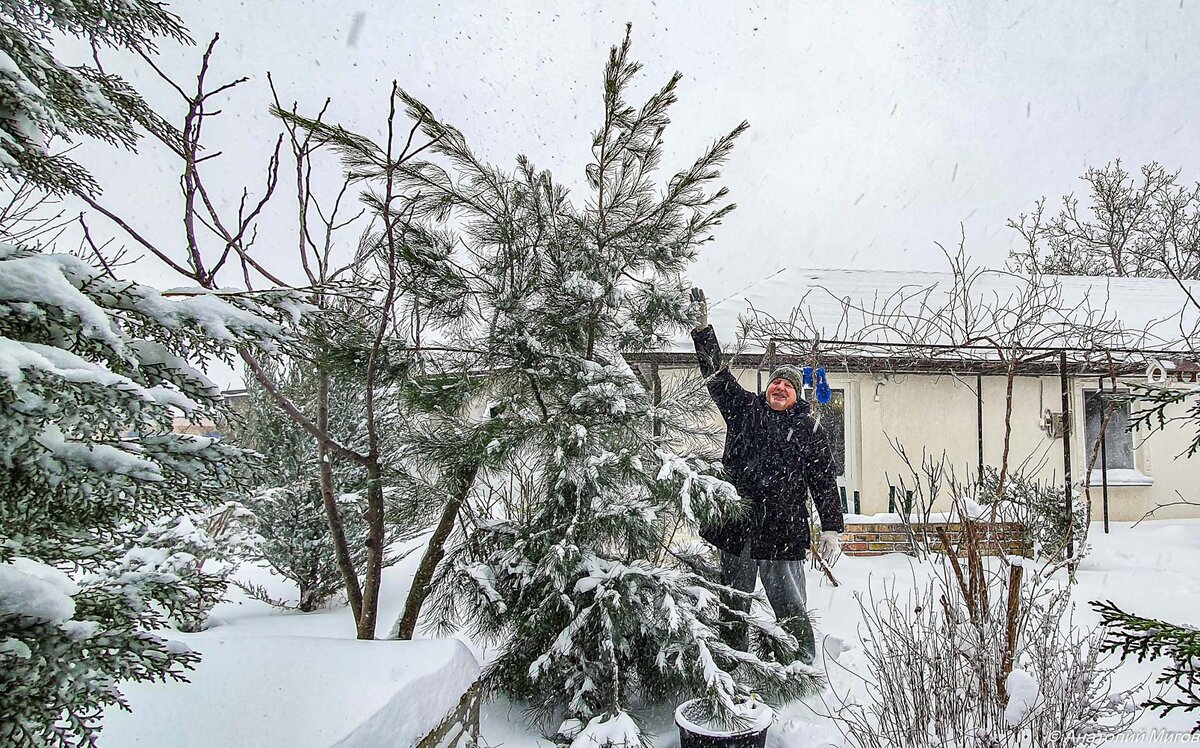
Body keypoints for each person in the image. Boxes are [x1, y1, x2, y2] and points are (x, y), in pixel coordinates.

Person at [689, 288, 843, 665]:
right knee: (733, 604)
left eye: (788, 385)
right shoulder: (744, 411)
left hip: (782, 529)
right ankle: (728, 665)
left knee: (790, 606)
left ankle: (800, 666)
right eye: (776, 382)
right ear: (768, 387)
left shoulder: (809, 429)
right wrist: (702, 330)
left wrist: (832, 527)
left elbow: (823, 480)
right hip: (737, 527)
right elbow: (717, 376)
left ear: (796, 395)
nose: (780, 388)